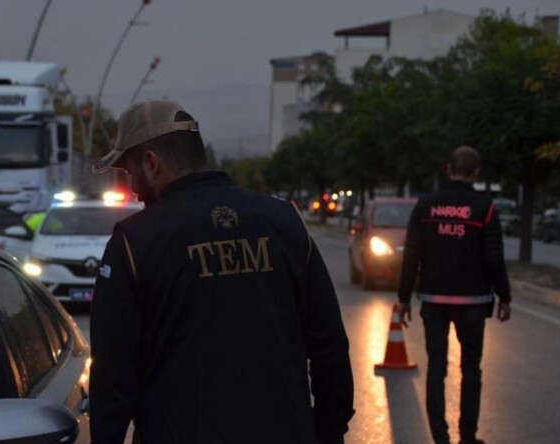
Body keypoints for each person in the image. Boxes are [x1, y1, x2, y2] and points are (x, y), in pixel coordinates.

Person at [89, 100, 354, 444]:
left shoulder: (134, 243)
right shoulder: (285, 223)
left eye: (128, 172)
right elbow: (329, 347)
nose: (133, 188)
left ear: (152, 163)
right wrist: (328, 432)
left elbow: (112, 382)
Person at [397, 146, 511, 444]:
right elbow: (494, 258)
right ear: (476, 173)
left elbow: (411, 255)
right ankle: (468, 437)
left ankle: (440, 438)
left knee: (436, 369)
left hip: (433, 301)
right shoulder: (484, 208)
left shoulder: (425, 206)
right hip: (474, 304)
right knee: (471, 369)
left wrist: (404, 297)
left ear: (448, 168)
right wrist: (505, 296)